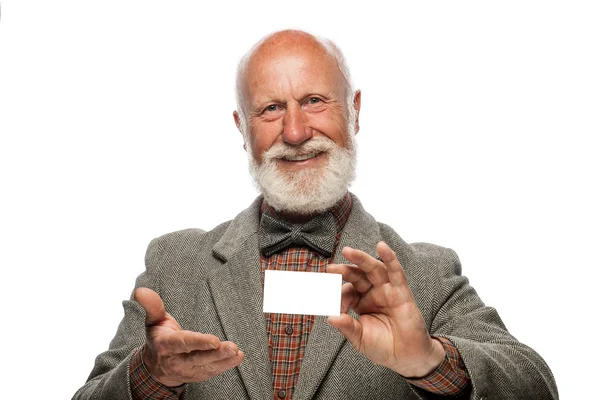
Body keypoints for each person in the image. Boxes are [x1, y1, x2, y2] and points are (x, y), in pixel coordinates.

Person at [73, 30, 558, 400]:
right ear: (242, 128)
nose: (297, 130)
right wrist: (149, 376)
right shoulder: (174, 265)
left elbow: (536, 384)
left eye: (314, 101)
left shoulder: (423, 272)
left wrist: (429, 360)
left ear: (354, 112)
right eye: (270, 109)